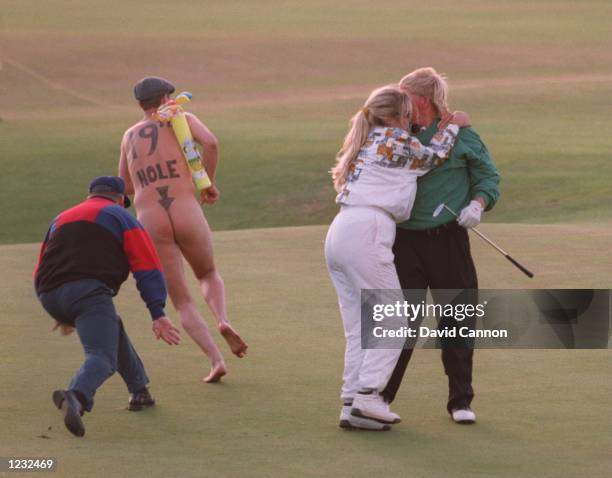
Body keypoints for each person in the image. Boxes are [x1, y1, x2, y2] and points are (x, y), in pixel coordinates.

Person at [325, 85, 468, 431]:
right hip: (368, 228)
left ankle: (351, 403)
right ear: (392, 117)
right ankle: (369, 396)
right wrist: (454, 125)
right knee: (394, 318)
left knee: (361, 327)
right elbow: (435, 157)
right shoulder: (393, 138)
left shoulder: (369, 138)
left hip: (341, 231)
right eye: (407, 116)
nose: (410, 123)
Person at [381, 67, 501, 424]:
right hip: (404, 241)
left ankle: (460, 401)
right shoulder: (396, 132)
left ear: (423, 100)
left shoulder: (463, 136)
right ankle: (381, 396)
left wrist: (477, 204)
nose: (401, 103)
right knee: (400, 323)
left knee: (457, 321)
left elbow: (488, 177)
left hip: (449, 238)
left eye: (406, 97)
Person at [119, 76, 247, 384]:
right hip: (186, 207)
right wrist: (208, 183)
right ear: (166, 99)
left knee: (182, 301)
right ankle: (223, 319)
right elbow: (212, 143)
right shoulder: (183, 119)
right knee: (206, 273)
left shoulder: (129, 136)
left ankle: (216, 360)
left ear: (140, 105)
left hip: (150, 217)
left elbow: (123, 185)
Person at [34, 176, 181, 437]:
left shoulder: (61, 217)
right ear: (119, 199)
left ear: (89, 195)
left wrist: (60, 306)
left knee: (111, 325)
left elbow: (40, 266)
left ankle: (139, 390)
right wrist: (157, 312)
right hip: (87, 292)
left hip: (47, 294)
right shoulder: (121, 216)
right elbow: (147, 268)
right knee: (102, 355)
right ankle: (76, 395)